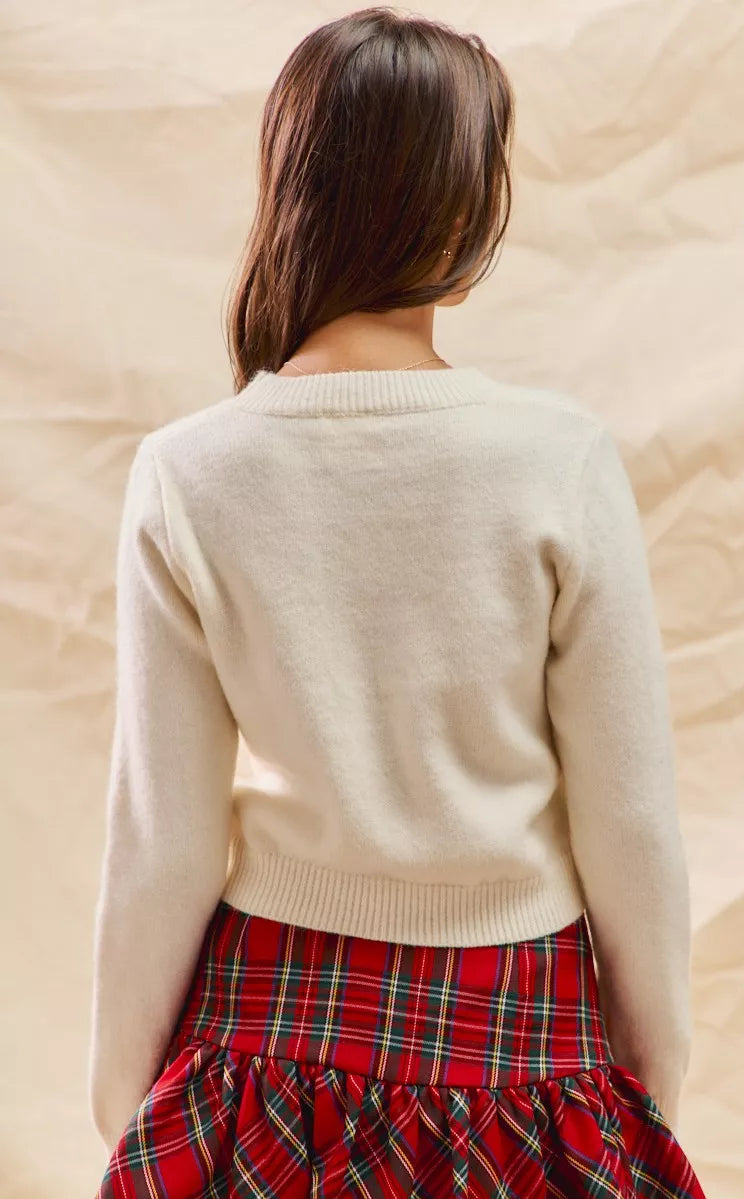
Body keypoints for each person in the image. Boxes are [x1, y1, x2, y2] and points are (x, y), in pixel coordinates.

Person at [88, 6, 708, 1196]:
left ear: (291, 189)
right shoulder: (557, 459)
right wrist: (646, 1094)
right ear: (464, 211)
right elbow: (630, 826)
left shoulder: (187, 471)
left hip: (260, 1053)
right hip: (519, 1046)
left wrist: (127, 1118)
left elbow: (160, 838)